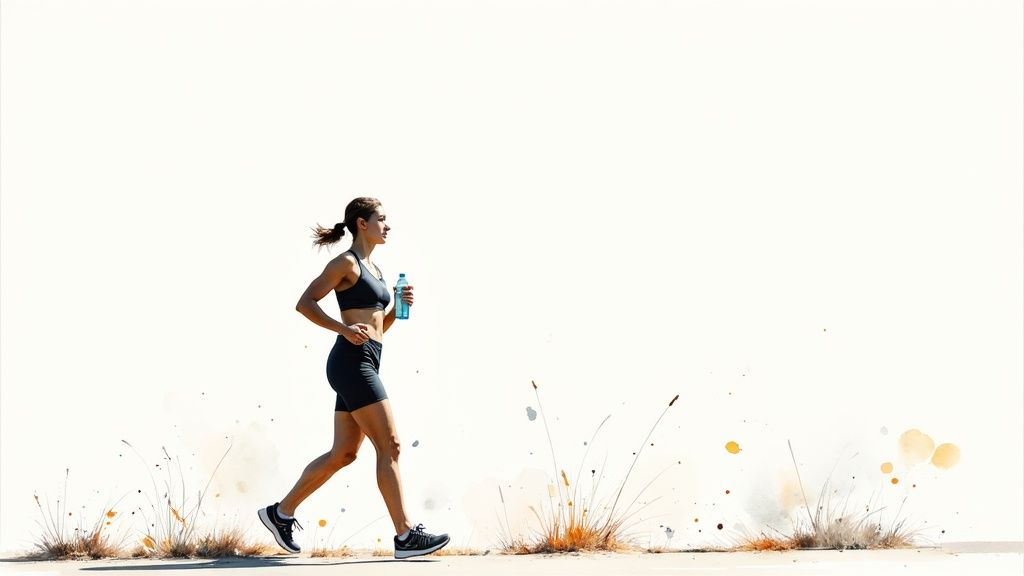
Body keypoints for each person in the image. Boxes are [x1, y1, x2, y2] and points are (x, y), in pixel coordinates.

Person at [258, 197, 449, 559]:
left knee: (344, 453)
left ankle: (280, 513)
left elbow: (377, 329)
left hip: (367, 359)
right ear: (362, 223)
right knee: (390, 445)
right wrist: (342, 329)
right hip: (351, 362)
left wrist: (396, 308)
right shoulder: (346, 263)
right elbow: (305, 302)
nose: (387, 226)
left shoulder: (375, 269)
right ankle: (406, 536)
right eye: (382, 219)